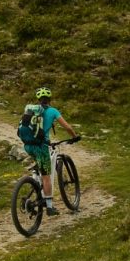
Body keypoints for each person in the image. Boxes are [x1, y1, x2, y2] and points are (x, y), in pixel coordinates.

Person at [23, 87, 81, 216]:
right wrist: (74, 137)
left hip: (28, 145)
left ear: (38, 99)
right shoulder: (53, 111)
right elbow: (67, 127)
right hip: (41, 146)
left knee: (40, 166)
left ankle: (35, 183)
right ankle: (49, 207)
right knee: (46, 176)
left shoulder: (31, 110)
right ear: (50, 99)